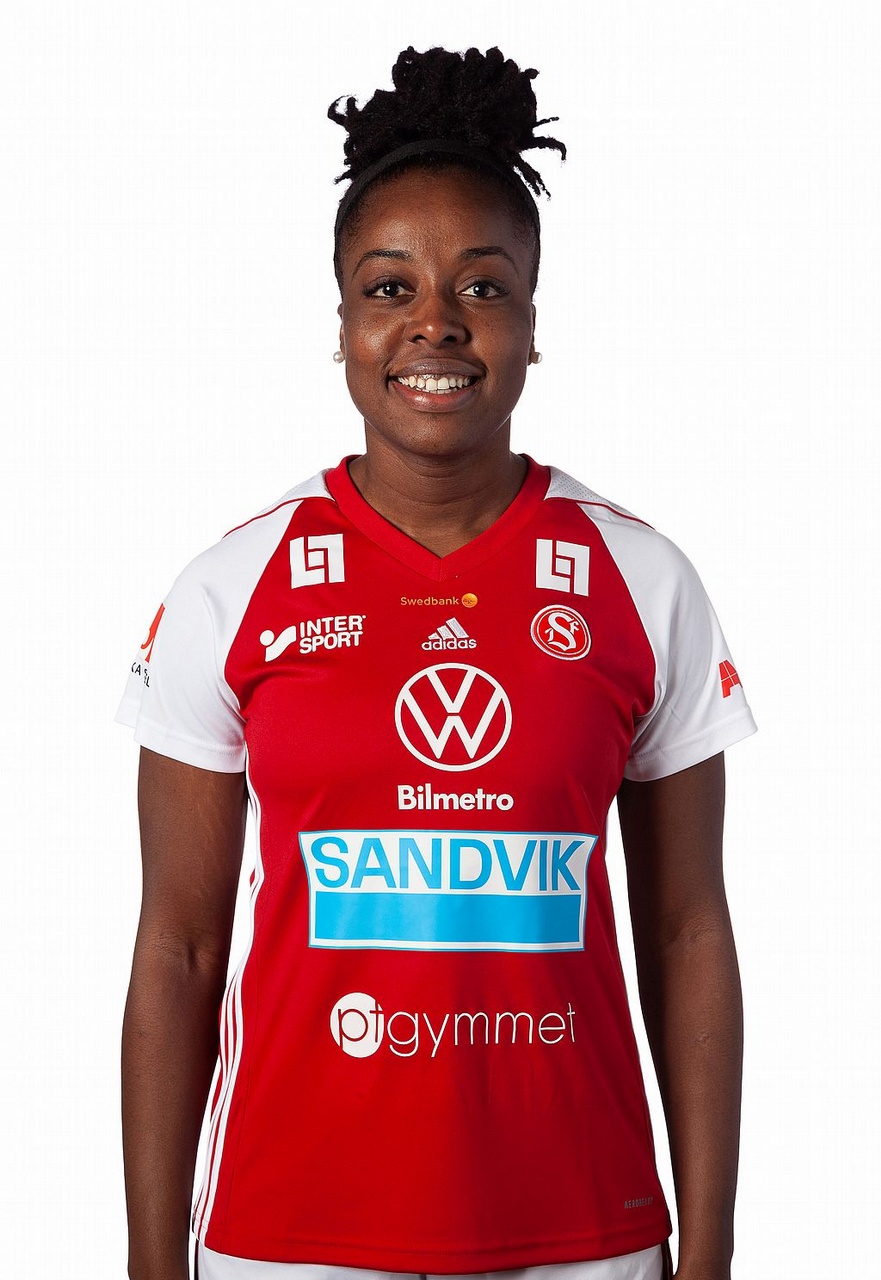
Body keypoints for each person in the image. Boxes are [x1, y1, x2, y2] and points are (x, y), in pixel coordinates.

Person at [118, 46, 756, 1280]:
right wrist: (151, 1263)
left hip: (581, 1227)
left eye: (482, 284)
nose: (434, 322)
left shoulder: (640, 578)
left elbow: (686, 931)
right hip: (288, 1231)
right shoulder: (230, 585)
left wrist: (710, 1249)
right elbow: (176, 949)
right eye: (388, 285)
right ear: (342, 325)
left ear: (531, 322)